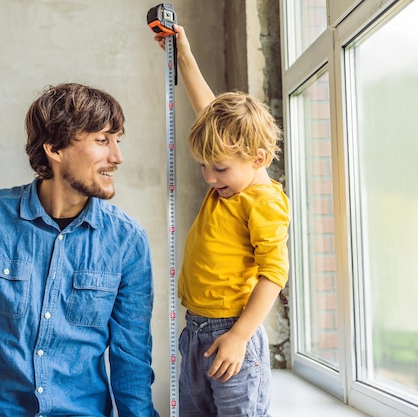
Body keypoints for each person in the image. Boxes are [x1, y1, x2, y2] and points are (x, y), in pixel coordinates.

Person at [0, 83, 159, 417]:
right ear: (55, 149)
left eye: (118, 140)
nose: (117, 157)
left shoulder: (127, 241)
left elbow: (131, 362)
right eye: (102, 140)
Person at [154, 25, 290, 416]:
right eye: (203, 167)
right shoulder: (232, 176)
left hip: (232, 332)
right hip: (195, 331)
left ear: (259, 158)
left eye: (219, 168)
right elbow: (207, 110)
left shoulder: (262, 201)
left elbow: (274, 274)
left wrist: (240, 336)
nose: (210, 179)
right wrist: (183, 54)